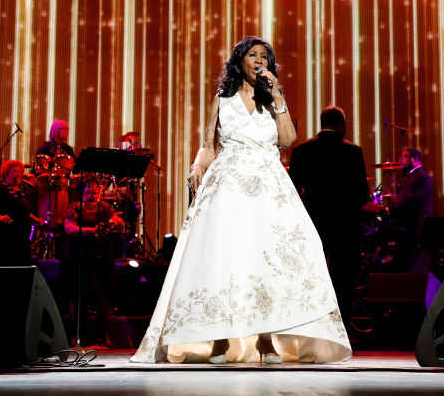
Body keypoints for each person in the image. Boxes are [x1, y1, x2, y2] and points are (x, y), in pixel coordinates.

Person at [132, 36, 351, 364]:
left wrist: (278, 96)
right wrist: (197, 166)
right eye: (253, 54)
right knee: (225, 256)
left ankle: (266, 340)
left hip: (267, 187)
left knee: (266, 257)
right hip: (229, 186)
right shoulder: (223, 100)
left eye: (265, 56)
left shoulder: (271, 101)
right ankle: (219, 340)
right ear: (240, 61)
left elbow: (288, 140)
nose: (260, 60)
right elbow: (209, 144)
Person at [288, 106, 369, 329]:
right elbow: (363, 194)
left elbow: (291, 192)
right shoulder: (353, 151)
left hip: (313, 223)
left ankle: (310, 325)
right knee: (344, 277)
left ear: (322, 122)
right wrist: (349, 208)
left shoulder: (302, 151)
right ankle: (341, 326)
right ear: (341, 123)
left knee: (311, 274)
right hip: (345, 225)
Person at [62, 180, 125, 347]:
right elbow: (69, 228)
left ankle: (104, 336)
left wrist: (116, 223)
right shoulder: (76, 206)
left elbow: (116, 226)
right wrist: (92, 231)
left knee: (102, 294)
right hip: (82, 253)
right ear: (83, 189)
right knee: (79, 295)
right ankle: (77, 336)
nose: (95, 189)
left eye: (97, 187)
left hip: (102, 253)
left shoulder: (105, 207)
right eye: (90, 186)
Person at [386, 148, 434, 272]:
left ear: (415, 159)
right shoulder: (412, 176)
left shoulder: (420, 177)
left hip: (412, 229)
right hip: (408, 228)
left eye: (405, 157)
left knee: (409, 267)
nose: (400, 160)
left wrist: (388, 209)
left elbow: (408, 202)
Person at [0, 159, 37, 266]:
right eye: (14, 172)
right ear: (6, 174)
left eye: (20, 172)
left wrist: (35, 218)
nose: (18, 174)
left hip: (19, 238)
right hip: (2, 237)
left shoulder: (23, 192)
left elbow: (23, 212)